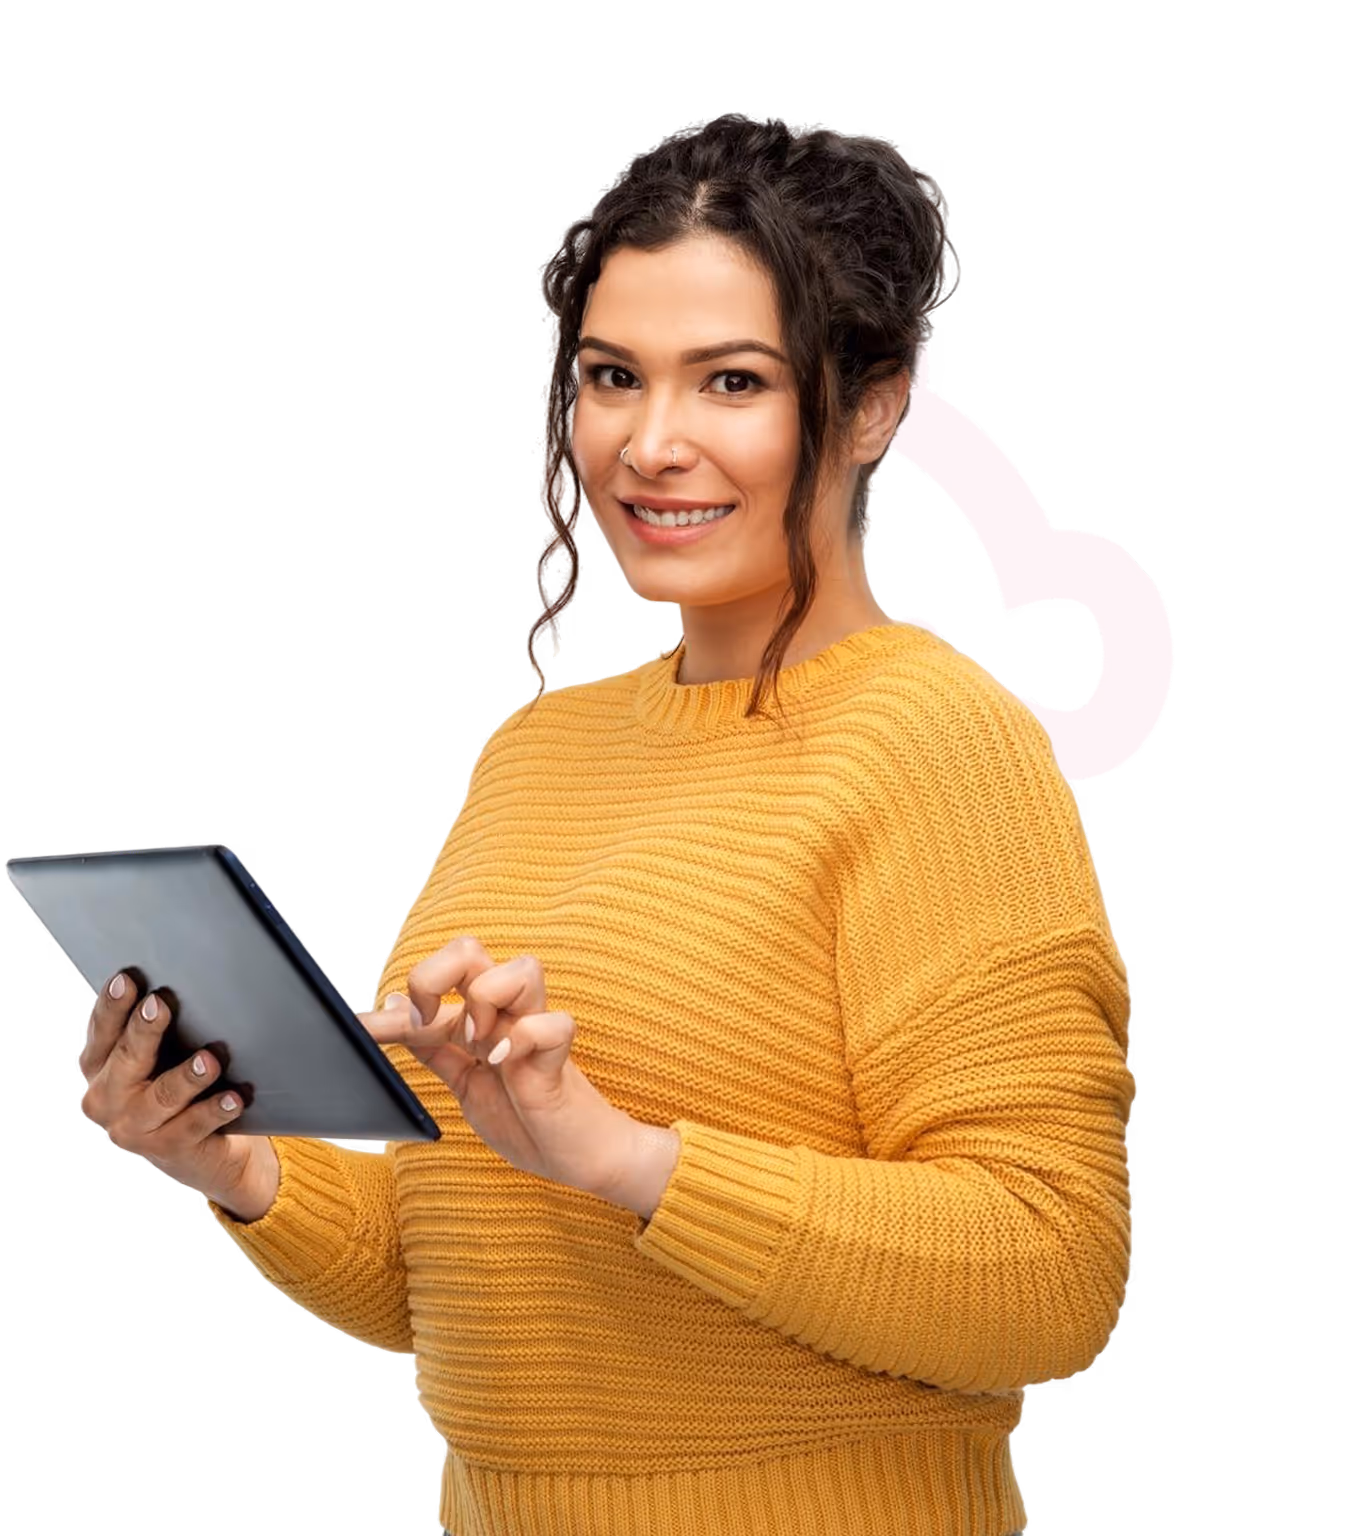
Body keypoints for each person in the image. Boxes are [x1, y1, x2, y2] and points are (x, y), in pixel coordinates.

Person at [80, 112, 1134, 1536]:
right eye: (611, 378)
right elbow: (451, 1274)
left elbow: (1050, 1277)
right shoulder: (536, 751)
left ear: (878, 399)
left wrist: (624, 1156)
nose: (650, 445)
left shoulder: (942, 745)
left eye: (734, 381)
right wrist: (233, 1163)